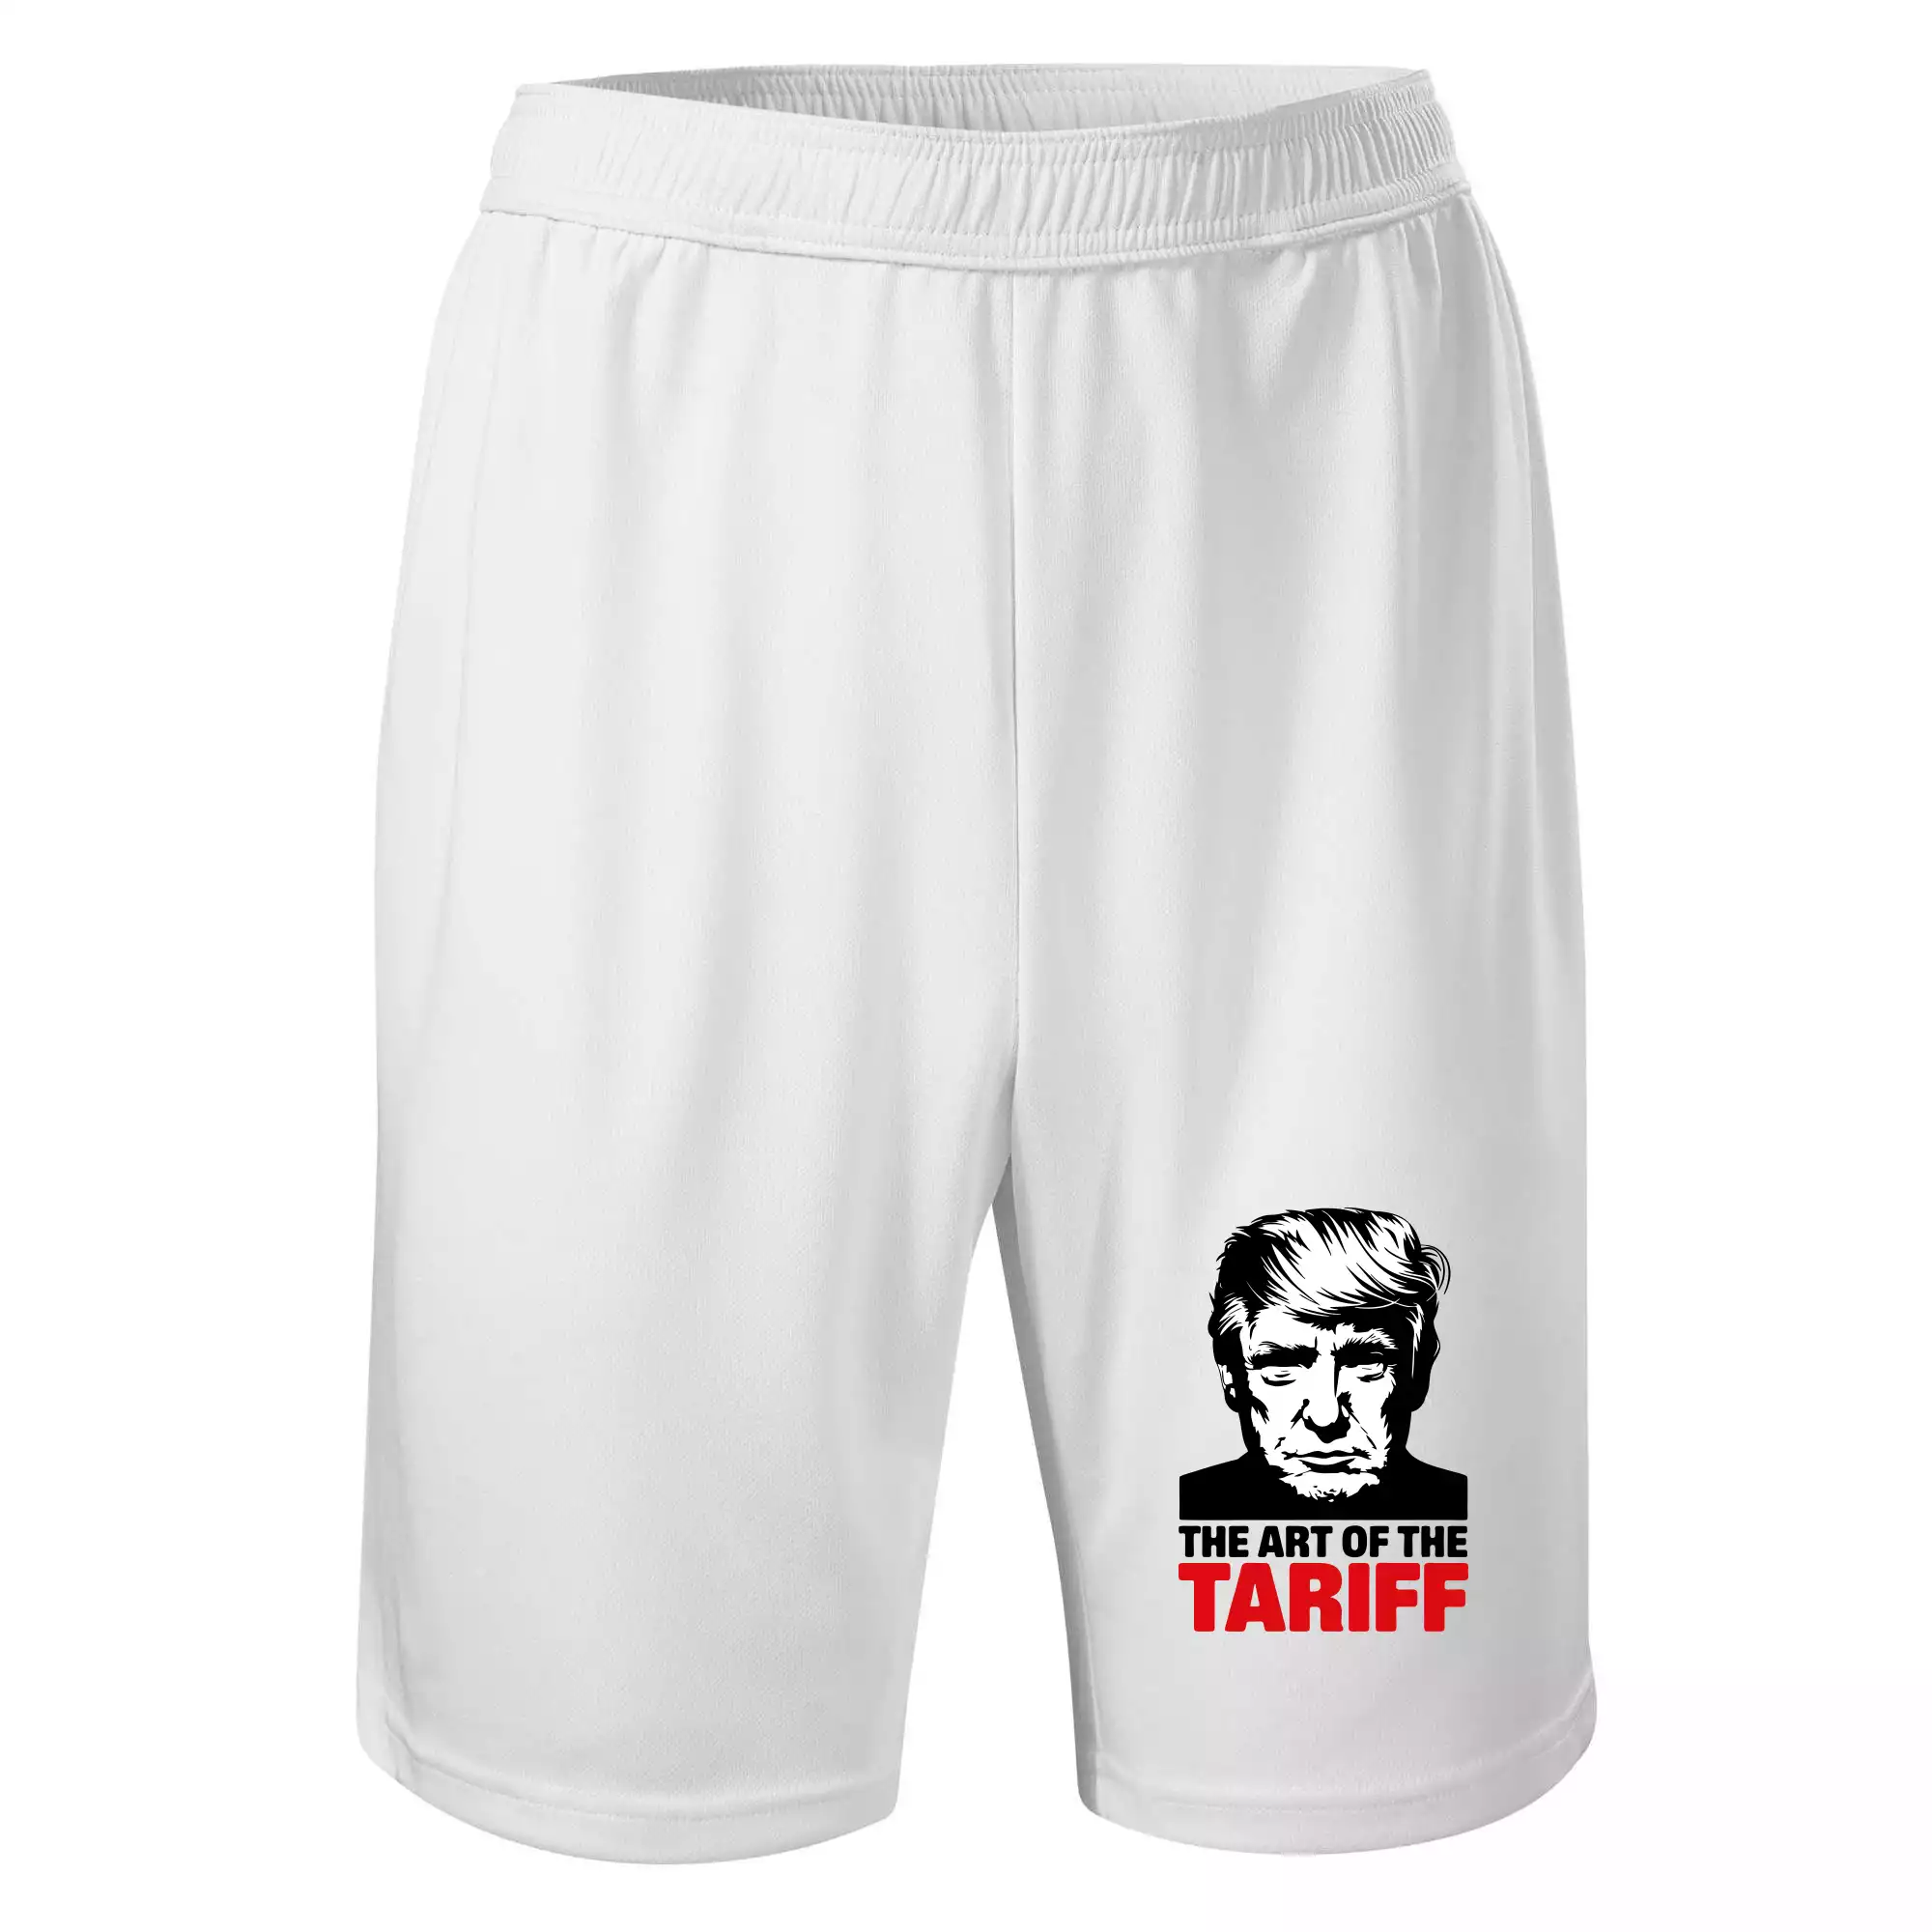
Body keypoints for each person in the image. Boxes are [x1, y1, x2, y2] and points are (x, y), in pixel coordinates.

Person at [1180, 1208, 1467, 1520]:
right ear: (1230, 1377)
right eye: (1281, 1366)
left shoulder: (1477, 1510)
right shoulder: (1178, 1509)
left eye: (1366, 1363)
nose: (1326, 1417)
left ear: (1418, 1373)